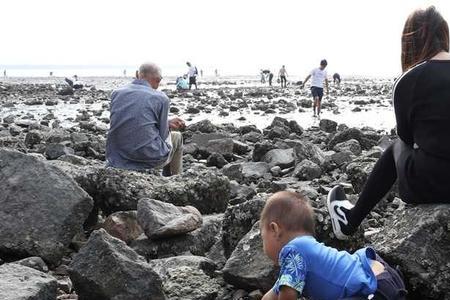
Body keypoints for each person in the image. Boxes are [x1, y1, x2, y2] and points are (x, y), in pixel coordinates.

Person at [327, 6, 450, 240]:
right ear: (444, 35)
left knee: (396, 145)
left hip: (429, 186)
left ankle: (349, 221)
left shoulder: (409, 80)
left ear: (410, 41)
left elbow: (407, 138)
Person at [260, 191, 407, 300]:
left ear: (275, 229)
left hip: (370, 290)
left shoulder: (292, 251)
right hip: (383, 276)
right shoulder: (303, 253)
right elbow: (274, 294)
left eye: (263, 238)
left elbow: (288, 296)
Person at [106, 62, 185, 176]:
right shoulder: (161, 98)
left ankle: (166, 176)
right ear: (158, 80)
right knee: (177, 137)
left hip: (116, 159)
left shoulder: (116, 93)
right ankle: (176, 179)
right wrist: (165, 124)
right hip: (148, 161)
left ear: (137, 74)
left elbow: (129, 121)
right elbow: (163, 136)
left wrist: (166, 122)